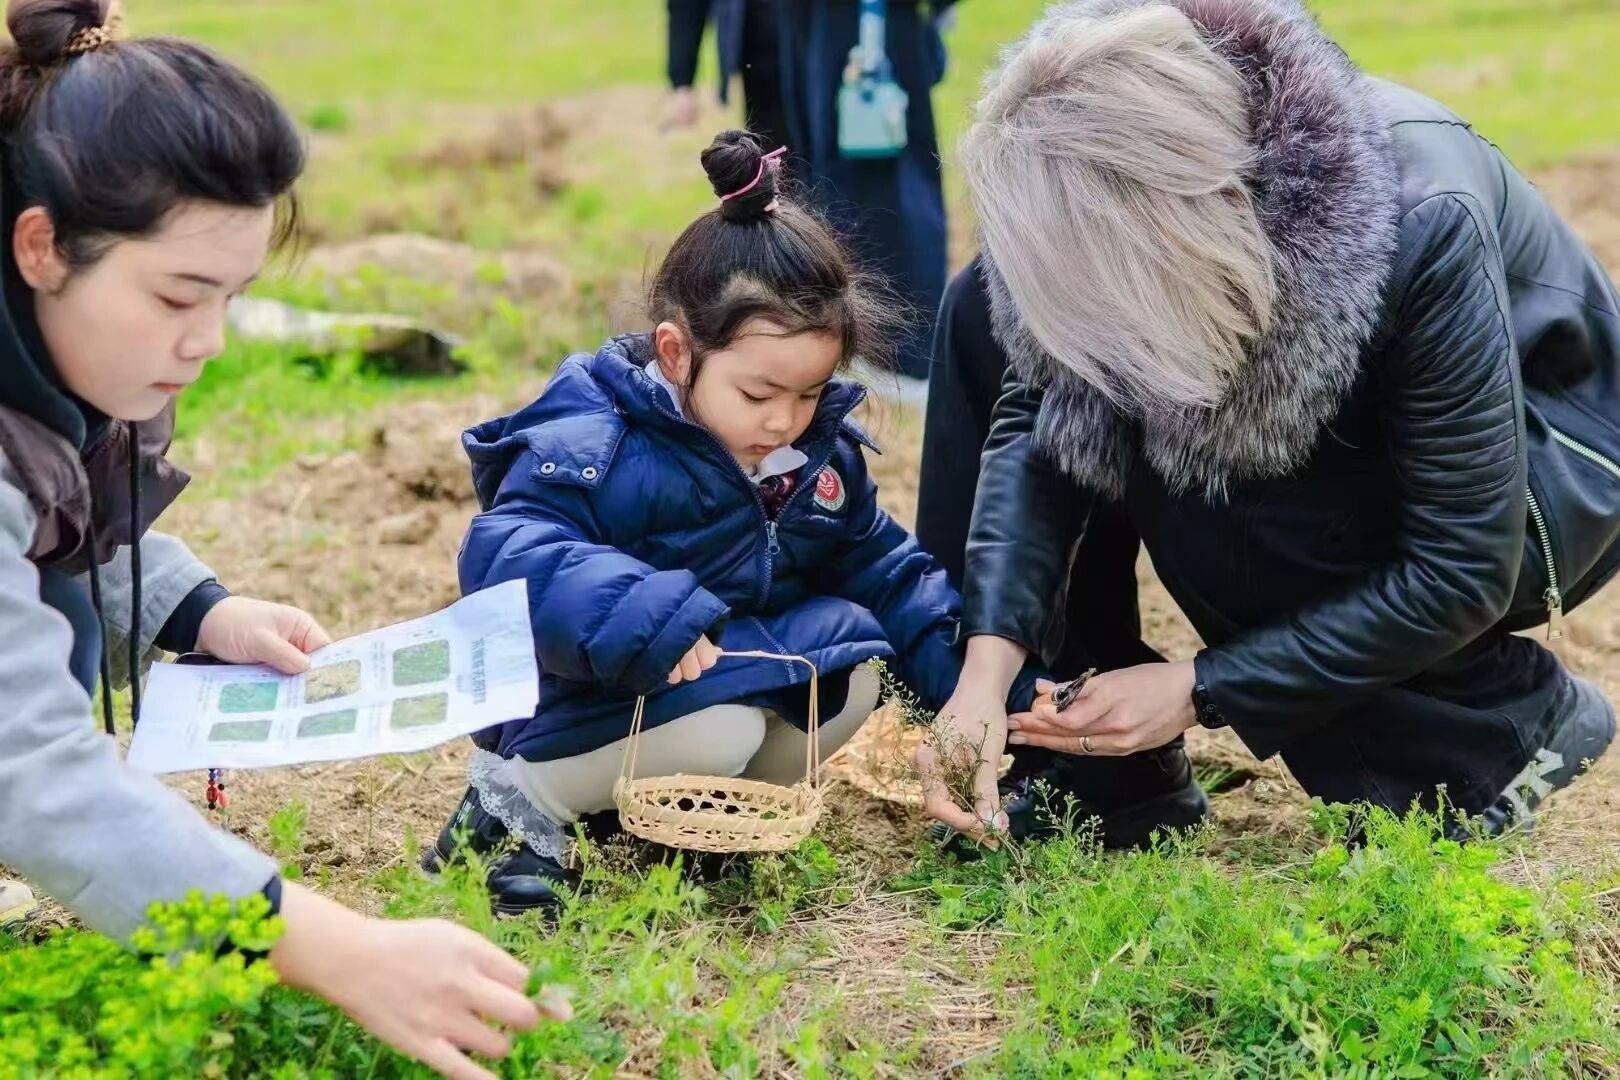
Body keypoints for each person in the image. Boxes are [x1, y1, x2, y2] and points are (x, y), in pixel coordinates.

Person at [0, 4, 564, 1077]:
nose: (209, 342)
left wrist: (200, 612)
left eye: (233, 297)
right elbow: (25, 764)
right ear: (41, 246)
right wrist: (338, 948)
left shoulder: (46, 360)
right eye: (178, 296)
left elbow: (48, 531)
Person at [916, 0, 1619, 846]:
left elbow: (1464, 563)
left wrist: (1201, 690)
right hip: (1355, 436)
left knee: (1216, 469)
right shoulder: (1100, 199)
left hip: (1540, 485)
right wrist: (987, 668)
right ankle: (1081, 755)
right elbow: (1042, 424)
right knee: (981, 309)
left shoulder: (1423, 218)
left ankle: (1484, 736)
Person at [424, 130, 1039, 910]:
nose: (784, 420)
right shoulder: (596, 445)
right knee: (725, 731)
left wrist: (992, 693)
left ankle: (695, 827)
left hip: (709, 687)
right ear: (676, 354)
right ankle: (516, 811)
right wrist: (646, 609)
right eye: (757, 394)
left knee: (849, 674)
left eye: (810, 394)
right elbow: (508, 555)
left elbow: (889, 577)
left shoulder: (813, 461)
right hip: (584, 702)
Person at [664, 0, 956, 385]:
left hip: (868, 36)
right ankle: (814, 338)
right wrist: (681, 72)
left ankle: (899, 357)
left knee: (882, 197)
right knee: (795, 198)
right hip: (784, 42)